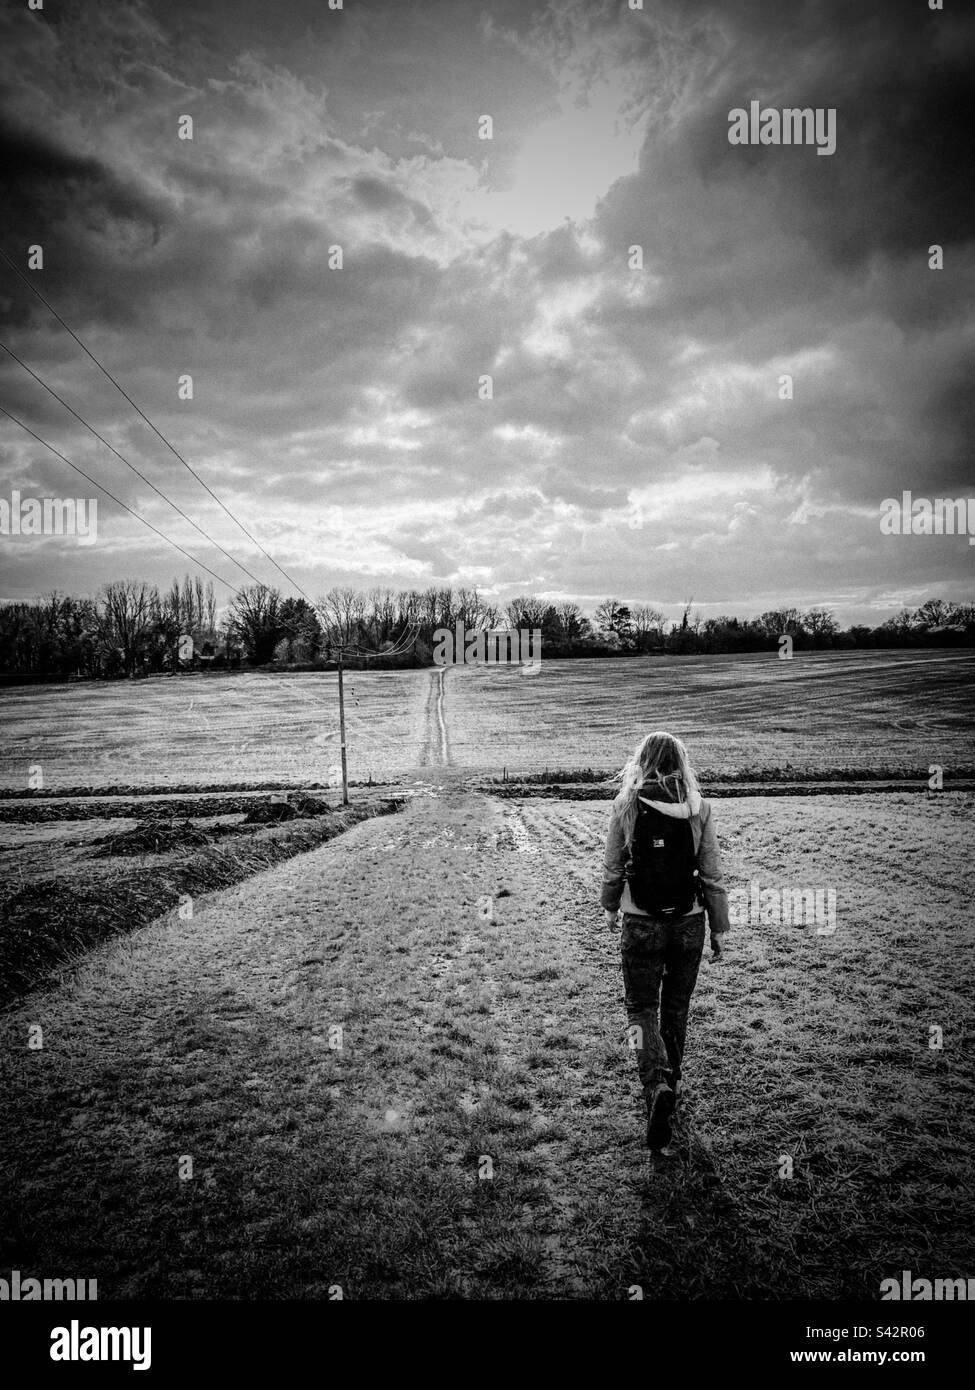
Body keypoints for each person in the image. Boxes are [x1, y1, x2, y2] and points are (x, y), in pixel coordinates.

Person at [601, 731, 730, 1153]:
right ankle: (671, 1078)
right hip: (689, 922)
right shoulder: (699, 808)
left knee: (641, 1007)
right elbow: (710, 873)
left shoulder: (626, 806)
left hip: (641, 922)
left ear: (642, 761)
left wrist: (609, 908)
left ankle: (655, 1085)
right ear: (681, 761)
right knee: (676, 1004)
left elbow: (613, 868)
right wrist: (719, 927)